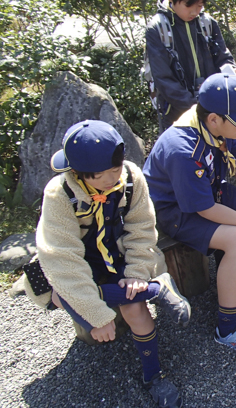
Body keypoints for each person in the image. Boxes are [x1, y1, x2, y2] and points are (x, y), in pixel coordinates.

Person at [24, 120, 190, 408]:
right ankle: (156, 290)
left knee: (134, 308)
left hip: (118, 254)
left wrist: (137, 272)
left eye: (118, 168)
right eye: (106, 174)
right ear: (80, 173)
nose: (115, 176)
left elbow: (141, 228)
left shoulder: (129, 177)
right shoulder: (59, 195)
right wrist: (95, 317)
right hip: (79, 261)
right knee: (61, 295)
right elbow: (62, 259)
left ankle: (154, 376)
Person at [143, 73, 236, 358]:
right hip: (179, 209)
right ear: (215, 119)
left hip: (211, 188)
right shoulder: (182, 149)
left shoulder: (214, 124)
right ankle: (228, 329)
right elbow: (202, 207)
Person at [146, 0, 236, 130]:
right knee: (181, 154)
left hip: (211, 111)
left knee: (215, 152)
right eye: (189, 5)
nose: (195, 12)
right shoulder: (158, 29)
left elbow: (222, 56)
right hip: (177, 114)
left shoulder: (207, 23)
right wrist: (196, 107)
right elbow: (164, 79)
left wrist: (229, 68)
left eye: (200, 5)